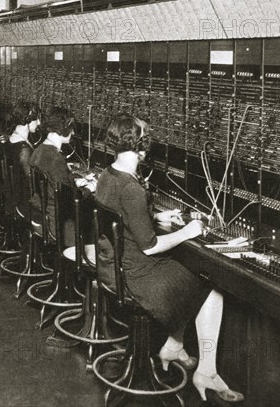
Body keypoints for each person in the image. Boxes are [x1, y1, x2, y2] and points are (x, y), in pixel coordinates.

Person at [94, 113, 244, 403]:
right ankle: (206, 371)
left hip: (112, 268)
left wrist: (154, 216)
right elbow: (149, 246)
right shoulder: (131, 187)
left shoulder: (108, 174)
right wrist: (187, 231)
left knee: (183, 272)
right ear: (142, 145)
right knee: (211, 287)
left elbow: (127, 218)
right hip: (136, 277)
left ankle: (174, 346)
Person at [29, 107, 95, 246]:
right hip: (56, 223)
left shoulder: (39, 150)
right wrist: (90, 188)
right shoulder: (55, 159)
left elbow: (53, 184)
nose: (73, 132)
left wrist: (74, 182)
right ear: (63, 129)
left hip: (39, 215)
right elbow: (71, 199)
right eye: (71, 128)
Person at [6, 101, 41, 215]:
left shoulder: (13, 138)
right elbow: (32, 183)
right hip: (23, 203)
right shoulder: (24, 150)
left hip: (12, 195)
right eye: (36, 119)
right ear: (28, 119)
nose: (39, 123)